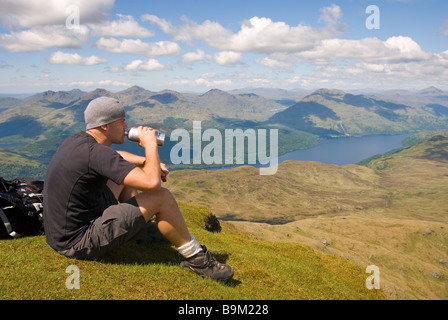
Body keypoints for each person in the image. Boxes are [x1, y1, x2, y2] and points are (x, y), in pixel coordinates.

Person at [43, 96, 234, 281]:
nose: (126, 127)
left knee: (124, 176)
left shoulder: (79, 142)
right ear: (104, 125)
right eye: (122, 122)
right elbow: (152, 184)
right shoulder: (95, 153)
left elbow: (115, 156)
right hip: (77, 242)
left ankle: (137, 228)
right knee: (161, 196)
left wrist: (145, 162)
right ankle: (198, 261)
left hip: (63, 233)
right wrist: (150, 146)